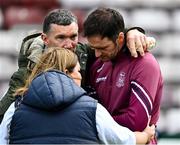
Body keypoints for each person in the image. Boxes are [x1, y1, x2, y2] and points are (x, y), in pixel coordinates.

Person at [0, 8, 154, 122]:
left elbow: (111, 39)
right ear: (45, 39)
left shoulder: (84, 53)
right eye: (61, 37)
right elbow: (3, 115)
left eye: (73, 36)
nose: (68, 44)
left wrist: (132, 32)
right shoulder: (27, 72)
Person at [0, 47, 155, 144]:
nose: (80, 76)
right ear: (66, 72)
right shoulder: (92, 108)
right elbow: (123, 141)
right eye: (77, 71)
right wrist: (146, 135)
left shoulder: (15, 109)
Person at [83, 7, 163, 144]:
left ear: (120, 38)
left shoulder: (144, 63)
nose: (96, 54)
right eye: (93, 48)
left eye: (102, 48)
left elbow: (136, 122)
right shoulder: (97, 64)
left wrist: (92, 124)